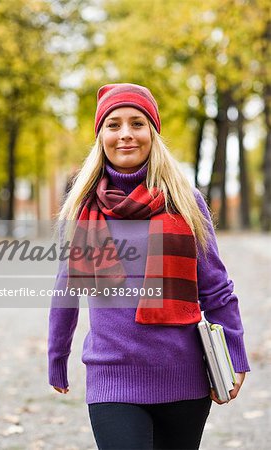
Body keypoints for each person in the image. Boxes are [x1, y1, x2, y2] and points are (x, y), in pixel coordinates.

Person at [48, 83, 250, 450]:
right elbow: (66, 291)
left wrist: (235, 354)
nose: (125, 134)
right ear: (101, 136)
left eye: (137, 123)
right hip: (112, 378)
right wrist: (56, 356)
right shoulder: (83, 208)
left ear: (152, 133)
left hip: (184, 378)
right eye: (113, 125)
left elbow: (216, 288)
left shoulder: (185, 202)